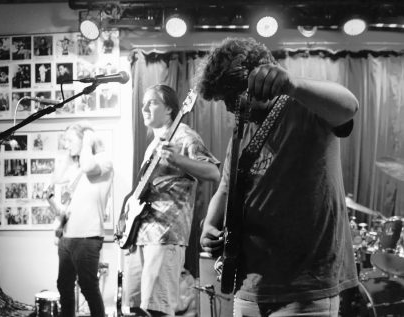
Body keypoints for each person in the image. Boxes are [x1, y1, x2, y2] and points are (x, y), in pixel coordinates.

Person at [198, 37, 359, 316]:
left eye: (230, 97)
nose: (227, 107)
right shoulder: (241, 132)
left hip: (304, 288)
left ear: (257, 82)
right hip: (248, 286)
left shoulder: (306, 106)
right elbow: (225, 188)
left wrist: (291, 84)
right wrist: (209, 225)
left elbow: (348, 106)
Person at [124, 84, 220, 317]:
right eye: (144, 102)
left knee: (157, 309)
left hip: (165, 234)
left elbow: (213, 172)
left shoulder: (184, 135)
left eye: (152, 102)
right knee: (135, 309)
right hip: (140, 233)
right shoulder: (152, 145)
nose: (145, 107)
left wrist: (177, 160)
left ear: (169, 109)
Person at [51, 123, 113, 317]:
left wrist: (87, 142)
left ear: (85, 138)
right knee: (64, 286)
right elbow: (59, 186)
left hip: (88, 236)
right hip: (67, 238)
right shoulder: (75, 169)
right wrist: (50, 200)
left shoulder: (103, 160)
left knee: (87, 286)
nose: (66, 145)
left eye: (70, 140)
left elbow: (88, 166)